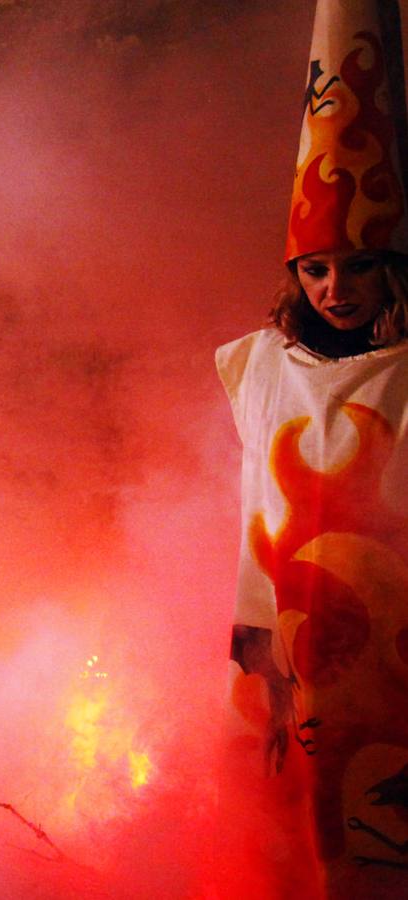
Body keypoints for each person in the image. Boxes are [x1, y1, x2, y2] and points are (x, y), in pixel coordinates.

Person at [217, 3, 408, 894]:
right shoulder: (259, 364)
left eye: (358, 265)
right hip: (293, 632)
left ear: (393, 269)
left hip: (394, 645)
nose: (336, 287)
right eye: (315, 267)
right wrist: (257, 653)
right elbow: (256, 506)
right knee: (298, 829)